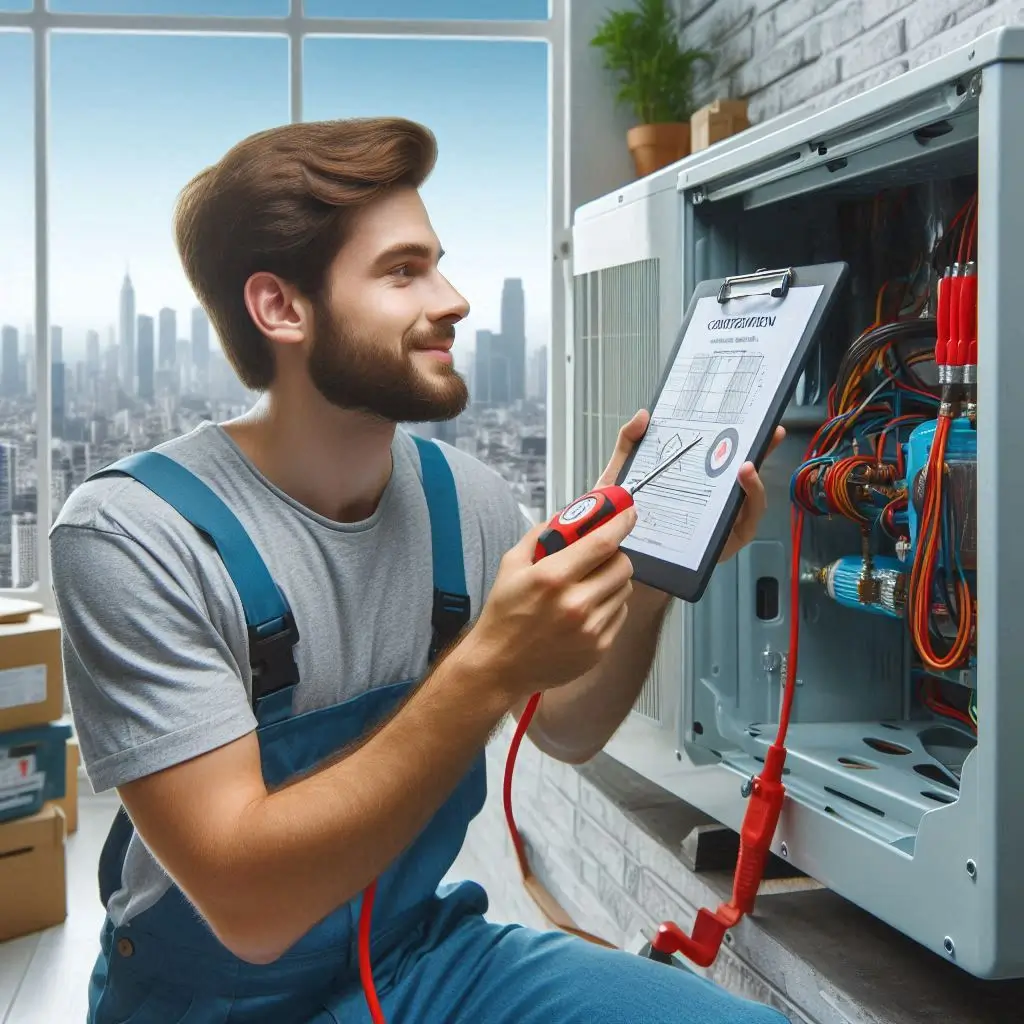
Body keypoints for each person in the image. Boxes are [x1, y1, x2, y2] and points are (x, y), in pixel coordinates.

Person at [51, 117, 788, 1024]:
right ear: (281, 308)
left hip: (422, 963)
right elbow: (249, 906)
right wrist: (490, 664)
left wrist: (644, 568)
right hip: (212, 1006)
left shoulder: (465, 501)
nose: (454, 299)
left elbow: (568, 729)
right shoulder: (134, 533)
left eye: (438, 263)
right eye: (403, 272)